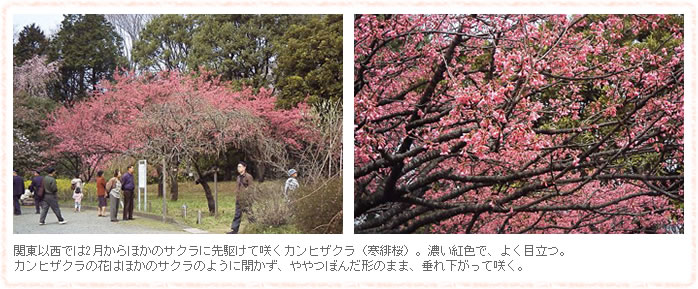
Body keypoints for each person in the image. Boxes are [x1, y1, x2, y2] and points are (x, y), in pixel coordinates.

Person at [228, 161, 254, 234]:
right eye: (237, 167)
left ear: (244, 167)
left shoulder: (248, 176)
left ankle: (255, 226)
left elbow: (251, 187)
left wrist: (246, 193)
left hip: (246, 198)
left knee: (249, 213)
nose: (238, 168)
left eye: (240, 167)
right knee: (237, 214)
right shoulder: (238, 177)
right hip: (239, 198)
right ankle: (234, 230)